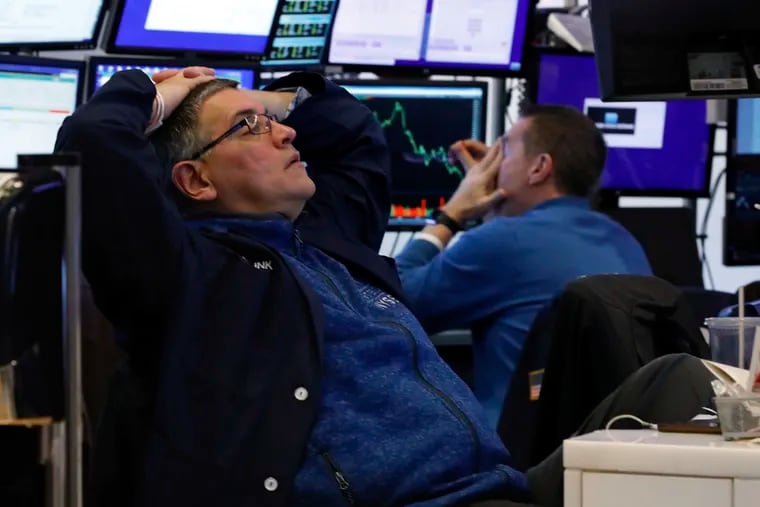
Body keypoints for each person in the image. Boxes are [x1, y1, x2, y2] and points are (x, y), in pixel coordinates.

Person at [56, 69, 708, 507]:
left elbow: (355, 137)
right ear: (195, 181)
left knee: (675, 379)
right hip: (428, 502)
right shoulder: (188, 275)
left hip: (502, 485)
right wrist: (155, 91)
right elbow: (94, 144)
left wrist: (272, 96)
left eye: (273, 120)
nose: (285, 132)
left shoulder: (327, 241)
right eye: (250, 128)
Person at [395, 105, 653, 428]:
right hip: (601, 452)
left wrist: (453, 214)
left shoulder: (504, 242)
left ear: (539, 168)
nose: (492, 166)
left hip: (514, 463)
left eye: (504, 151)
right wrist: (497, 210)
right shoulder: (626, 241)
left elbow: (390, 301)